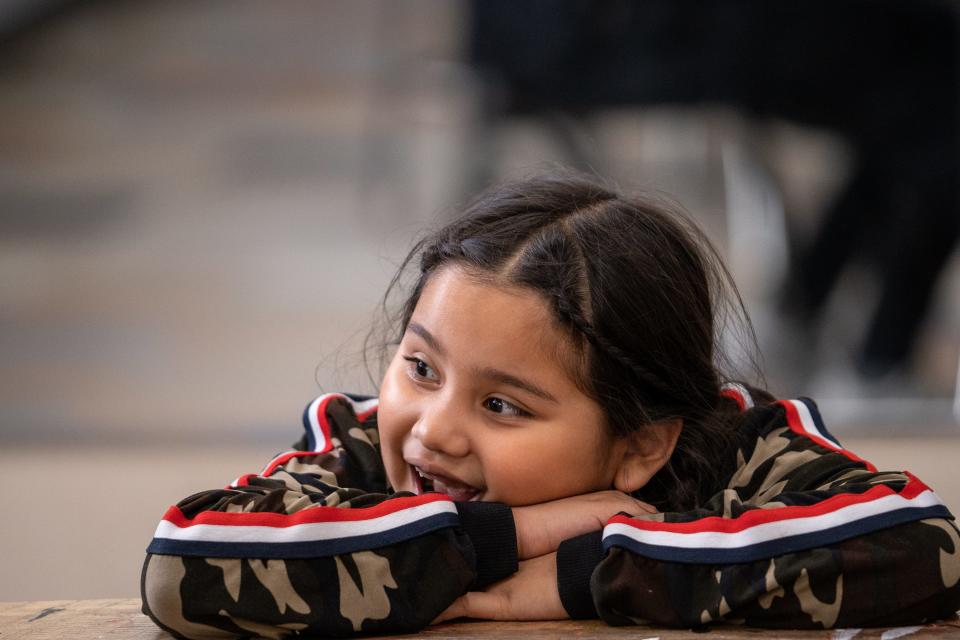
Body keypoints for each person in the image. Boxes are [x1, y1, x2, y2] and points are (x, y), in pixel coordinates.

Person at [140, 174, 960, 638]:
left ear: (641, 447)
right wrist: (506, 539)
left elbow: (923, 546)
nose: (432, 429)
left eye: (501, 404)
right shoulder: (355, 448)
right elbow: (183, 571)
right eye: (420, 366)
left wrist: (592, 571)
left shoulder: (742, 445)